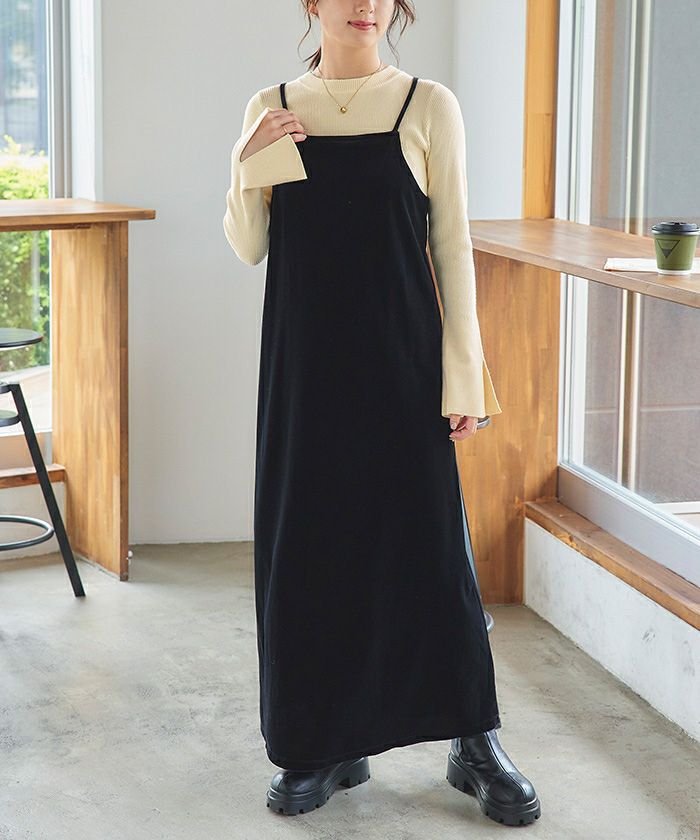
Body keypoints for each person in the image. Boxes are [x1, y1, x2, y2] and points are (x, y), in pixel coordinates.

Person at [222, 0, 541, 828]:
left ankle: (473, 740)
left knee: (430, 549)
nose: (365, 5)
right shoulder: (271, 108)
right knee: (311, 547)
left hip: (403, 360)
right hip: (303, 368)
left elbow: (452, 245)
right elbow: (249, 245)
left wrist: (464, 378)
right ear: (313, 5)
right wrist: (244, 161)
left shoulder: (426, 104)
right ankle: (322, 743)